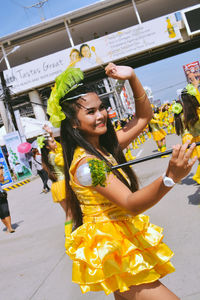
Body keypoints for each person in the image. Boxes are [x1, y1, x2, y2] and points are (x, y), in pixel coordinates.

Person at [47, 64, 197, 299]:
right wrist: (170, 178)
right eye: (91, 112)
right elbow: (130, 203)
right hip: (112, 249)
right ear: (73, 123)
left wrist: (133, 78)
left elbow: (143, 117)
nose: (101, 115)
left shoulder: (103, 148)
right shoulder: (88, 165)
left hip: (119, 244)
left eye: (101, 108)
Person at [37, 125, 72, 244]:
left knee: (69, 213)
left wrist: (51, 135)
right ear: (47, 146)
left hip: (58, 186)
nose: (55, 143)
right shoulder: (56, 157)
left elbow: (57, 148)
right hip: (64, 185)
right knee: (71, 213)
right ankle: (69, 237)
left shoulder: (49, 156)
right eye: (52, 142)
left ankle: (71, 234)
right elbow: (63, 153)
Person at [181, 85, 200, 184]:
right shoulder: (198, 112)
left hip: (196, 142)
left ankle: (197, 176)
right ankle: (197, 176)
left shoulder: (187, 115)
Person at [0, 165, 15, 233]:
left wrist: (1, 173)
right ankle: (8, 227)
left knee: (6, 211)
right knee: (1, 215)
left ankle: (10, 228)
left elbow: (2, 180)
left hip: (1, 195)